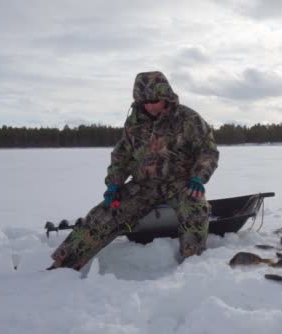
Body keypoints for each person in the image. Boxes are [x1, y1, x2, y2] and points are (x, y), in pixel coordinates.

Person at [48, 71, 219, 270]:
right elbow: (121, 156)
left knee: (196, 210)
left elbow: (208, 150)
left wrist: (198, 177)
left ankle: (193, 266)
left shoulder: (189, 119)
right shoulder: (135, 123)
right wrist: (114, 183)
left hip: (180, 183)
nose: (150, 105)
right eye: (144, 101)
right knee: (102, 213)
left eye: (154, 100)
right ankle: (63, 264)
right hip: (144, 186)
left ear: (166, 96)